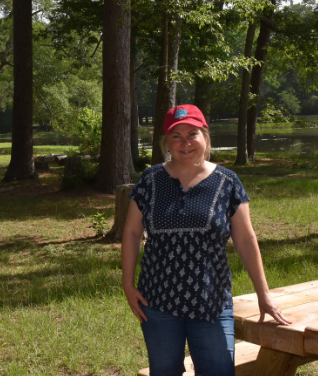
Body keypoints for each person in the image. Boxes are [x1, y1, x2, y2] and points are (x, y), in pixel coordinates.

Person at [121, 104, 291, 376]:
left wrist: (264, 295)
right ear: (166, 142)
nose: (185, 142)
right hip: (157, 300)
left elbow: (246, 240)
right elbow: (131, 233)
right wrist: (127, 285)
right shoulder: (149, 180)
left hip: (211, 301)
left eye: (193, 134)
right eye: (176, 136)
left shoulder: (228, 182)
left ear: (205, 138)